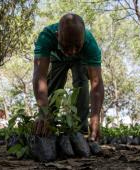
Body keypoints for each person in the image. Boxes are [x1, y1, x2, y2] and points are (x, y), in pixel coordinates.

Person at [33, 13, 104, 142]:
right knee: (53, 85)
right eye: (67, 45)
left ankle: (80, 131)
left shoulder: (90, 44)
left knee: (82, 85)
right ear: (57, 36)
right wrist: (43, 111)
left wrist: (95, 116)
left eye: (77, 45)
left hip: (80, 61)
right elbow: (39, 76)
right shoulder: (46, 37)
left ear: (83, 40)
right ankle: (48, 125)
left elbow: (96, 83)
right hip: (58, 58)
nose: (72, 51)